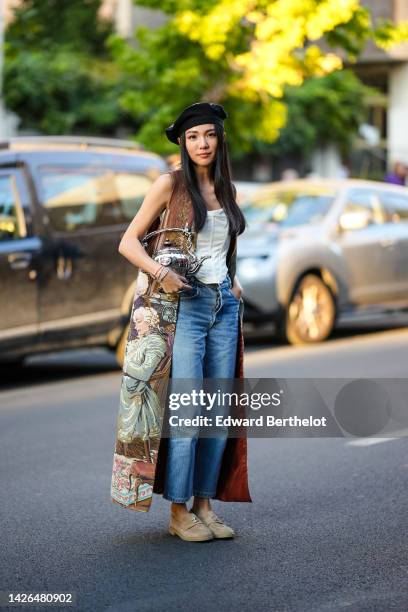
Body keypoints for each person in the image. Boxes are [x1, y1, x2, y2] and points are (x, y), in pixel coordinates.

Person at [116, 102, 248, 541]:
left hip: (223, 307)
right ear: (183, 142)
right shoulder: (169, 185)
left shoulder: (227, 189)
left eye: (209, 135)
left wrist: (233, 282)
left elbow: (220, 246)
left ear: (220, 138)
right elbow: (129, 242)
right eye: (193, 137)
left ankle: (203, 505)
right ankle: (177, 513)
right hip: (185, 308)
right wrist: (162, 274)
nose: (202, 143)